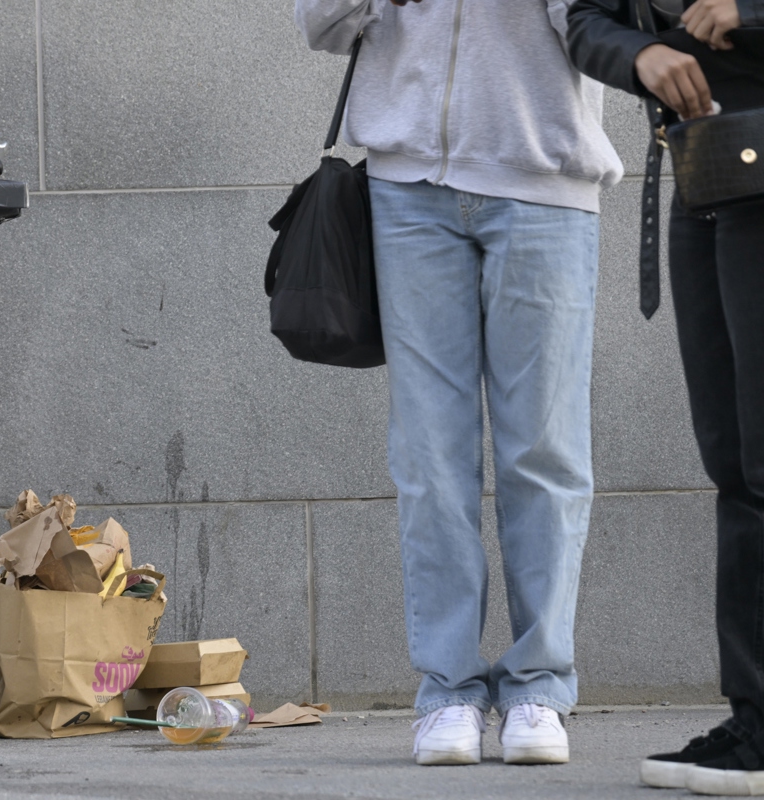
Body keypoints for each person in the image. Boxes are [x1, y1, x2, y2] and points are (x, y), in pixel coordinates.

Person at [295, 0, 624, 766]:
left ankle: (540, 685)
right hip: (406, 191)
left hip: (543, 180)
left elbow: (605, 24)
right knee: (428, 456)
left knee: (542, 450)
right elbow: (321, 24)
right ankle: (447, 691)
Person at [566, 0, 764, 794]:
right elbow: (584, 17)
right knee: (736, 466)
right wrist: (639, 56)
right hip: (706, 169)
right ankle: (754, 716)